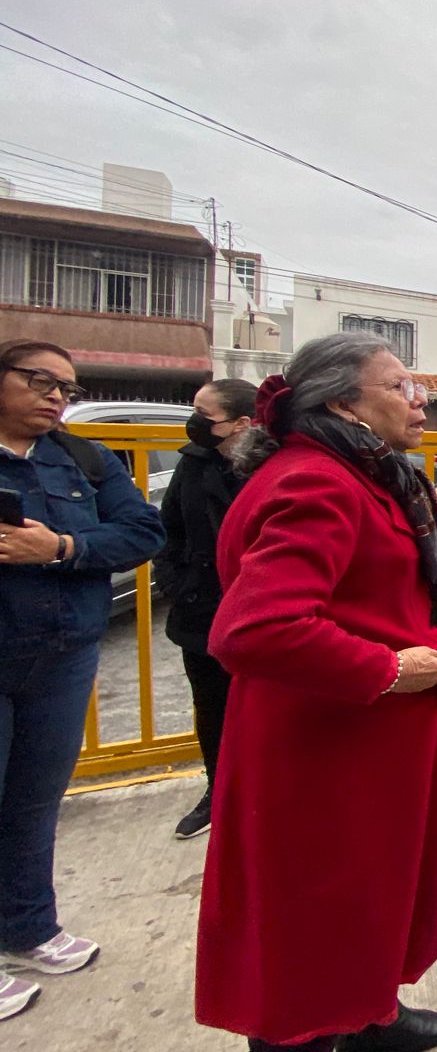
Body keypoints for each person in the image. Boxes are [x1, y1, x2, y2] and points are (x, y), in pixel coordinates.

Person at [196, 333, 437, 1051]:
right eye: (400, 387)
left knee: (367, 900)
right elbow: (256, 628)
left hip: (367, 748)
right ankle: (311, 1031)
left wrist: (433, 588)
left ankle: (368, 1011)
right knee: (314, 915)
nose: (419, 402)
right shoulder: (316, 482)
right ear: (342, 404)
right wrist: (384, 669)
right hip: (329, 750)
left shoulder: (356, 471)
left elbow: (359, 586)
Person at [0, 340, 164, 1023]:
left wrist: (63, 548)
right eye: (40, 380)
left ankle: (29, 927)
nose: (56, 396)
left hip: (62, 653)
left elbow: (143, 531)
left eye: (66, 387)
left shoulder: (83, 459)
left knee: (35, 800)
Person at [154, 377, 257, 841]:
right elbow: (170, 529)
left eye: (203, 413)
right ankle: (218, 792)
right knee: (211, 706)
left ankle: (263, 794)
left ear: (242, 424)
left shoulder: (273, 467)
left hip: (258, 612)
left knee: (267, 708)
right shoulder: (193, 463)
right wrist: (177, 584)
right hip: (201, 610)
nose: (193, 421)